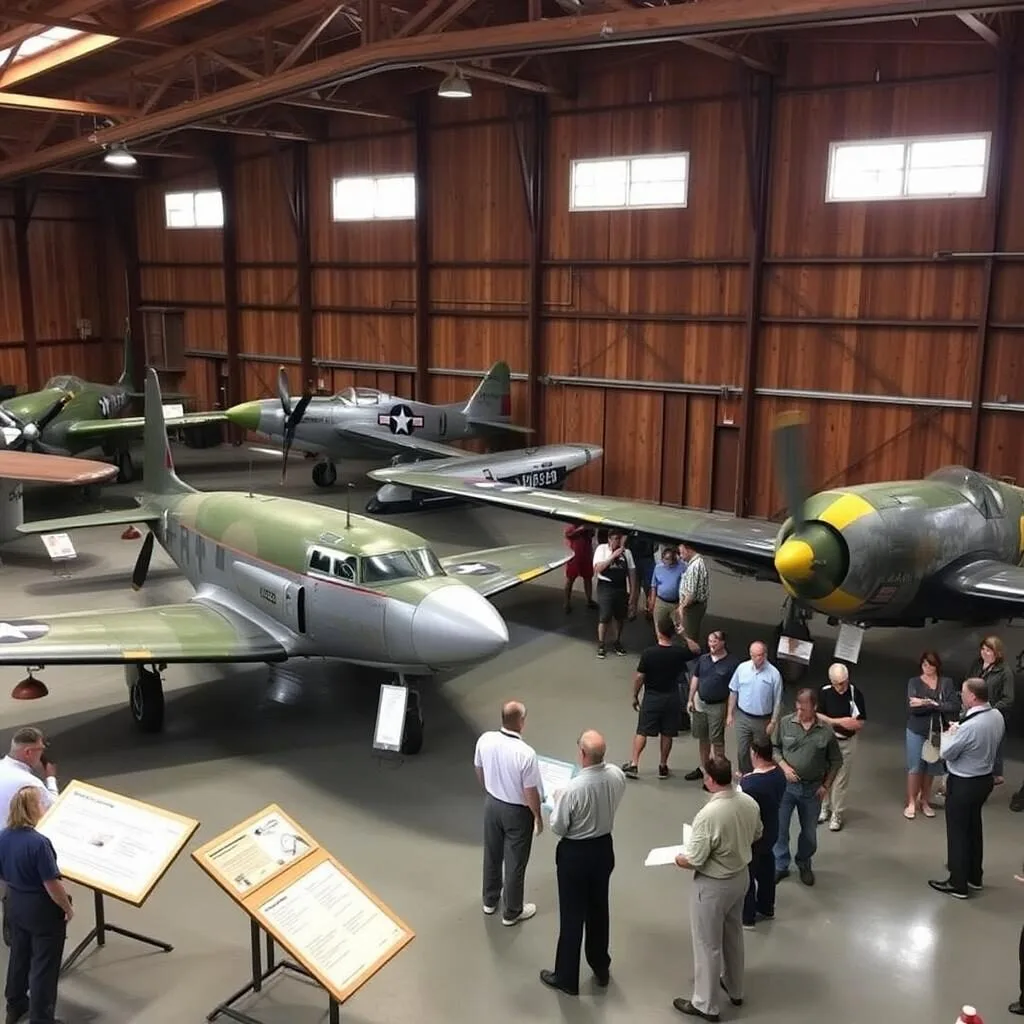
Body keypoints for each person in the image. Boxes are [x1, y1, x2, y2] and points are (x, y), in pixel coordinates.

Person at [671, 756, 762, 1021]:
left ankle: (705, 1004)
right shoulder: (749, 802)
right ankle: (735, 988)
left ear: (710, 780)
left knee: (707, 944)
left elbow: (695, 859)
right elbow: (758, 833)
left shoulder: (708, 815)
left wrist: (679, 859)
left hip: (713, 887)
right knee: (733, 935)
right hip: (740, 878)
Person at [540, 730, 626, 996]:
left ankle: (566, 976)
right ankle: (600, 966)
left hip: (575, 855)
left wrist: (556, 801)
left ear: (582, 754)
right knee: (599, 909)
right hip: (603, 849)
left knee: (572, 915)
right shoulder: (616, 776)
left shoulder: (573, 789)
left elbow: (559, 827)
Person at [0, 786, 73, 1024]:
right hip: (41, 909)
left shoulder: (3, 837)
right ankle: (42, 1018)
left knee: (19, 957)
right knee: (44, 966)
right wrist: (67, 908)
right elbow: (52, 885)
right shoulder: (39, 843)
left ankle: (15, 1004)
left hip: (15, 903)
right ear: (33, 809)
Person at [928, 677, 1004, 900]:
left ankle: (958, 882)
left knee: (958, 832)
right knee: (973, 828)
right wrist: (960, 731)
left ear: (972, 696)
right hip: (983, 781)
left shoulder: (970, 727)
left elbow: (946, 753)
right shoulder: (996, 716)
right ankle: (974, 875)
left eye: (963, 692)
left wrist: (951, 734)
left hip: (963, 783)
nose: (961, 695)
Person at [473, 701, 543, 926]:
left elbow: (479, 769)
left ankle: (489, 900)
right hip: (517, 812)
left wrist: (491, 790)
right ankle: (512, 911)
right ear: (521, 722)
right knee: (515, 862)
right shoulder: (526, 754)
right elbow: (530, 792)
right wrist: (538, 817)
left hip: (492, 805)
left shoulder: (485, 739)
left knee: (492, 853)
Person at [772, 688, 842, 887]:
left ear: (815, 707)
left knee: (809, 833)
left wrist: (826, 786)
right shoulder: (786, 723)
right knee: (780, 828)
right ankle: (780, 864)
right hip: (785, 787)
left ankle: (804, 862)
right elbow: (775, 748)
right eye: (798, 708)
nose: (800, 712)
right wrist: (784, 767)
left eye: (804, 709)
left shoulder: (826, 731)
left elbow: (836, 761)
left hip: (812, 790)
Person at [0, 728, 59, 950]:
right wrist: (50, 778)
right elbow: (54, 807)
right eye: (40, 750)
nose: (41, 754)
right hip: (19, 849)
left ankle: (11, 929)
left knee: (8, 890)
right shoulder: (29, 783)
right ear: (28, 753)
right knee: (26, 891)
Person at [621, 621, 692, 780]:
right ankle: (663, 765)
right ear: (672, 634)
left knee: (642, 731)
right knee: (667, 733)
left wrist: (635, 695)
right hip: (672, 697)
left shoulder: (649, 653)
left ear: (659, 632)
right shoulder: (678, 652)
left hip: (652, 696)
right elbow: (696, 650)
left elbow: (640, 676)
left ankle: (634, 764)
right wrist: (684, 635)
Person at [904, 651, 959, 820]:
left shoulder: (946, 683)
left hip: (937, 731)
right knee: (915, 767)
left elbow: (954, 706)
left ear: (937, 666)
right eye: (924, 665)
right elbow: (913, 708)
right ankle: (911, 802)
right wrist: (935, 705)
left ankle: (925, 800)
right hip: (917, 730)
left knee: (931, 768)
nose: (927, 668)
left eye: (931, 665)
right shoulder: (914, 682)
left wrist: (929, 703)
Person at [739, 738, 786, 929]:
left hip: (754, 835)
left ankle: (747, 917)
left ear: (756, 754)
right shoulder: (779, 774)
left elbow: (743, 807)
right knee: (767, 868)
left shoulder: (750, 784)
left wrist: (743, 780)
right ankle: (767, 907)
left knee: (747, 876)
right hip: (772, 829)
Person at [816, 663, 866, 832]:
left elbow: (860, 722)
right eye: (838, 683)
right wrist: (837, 722)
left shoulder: (854, 693)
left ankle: (837, 813)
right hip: (829, 741)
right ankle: (824, 807)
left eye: (844, 682)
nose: (842, 687)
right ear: (832, 682)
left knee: (841, 780)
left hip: (847, 743)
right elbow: (817, 714)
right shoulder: (824, 693)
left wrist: (851, 724)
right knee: (825, 775)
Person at [685, 630, 740, 782]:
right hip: (700, 704)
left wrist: (730, 713)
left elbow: (733, 690)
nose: (711, 645)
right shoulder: (703, 659)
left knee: (717, 741)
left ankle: (719, 773)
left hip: (717, 706)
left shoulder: (732, 663)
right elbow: (696, 678)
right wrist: (690, 699)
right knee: (703, 738)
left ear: (723, 642)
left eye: (714, 641)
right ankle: (704, 769)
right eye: (709, 641)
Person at [726, 642, 783, 774]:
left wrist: (773, 722)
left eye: (761, 655)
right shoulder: (742, 668)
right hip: (742, 716)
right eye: (755, 655)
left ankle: (759, 774)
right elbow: (733, 691)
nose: (758, 658)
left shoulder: (774, 674)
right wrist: (730, 713)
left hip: (762, 720)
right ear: (750, 655)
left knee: (761, 750)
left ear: (765, 655)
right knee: (742, 750)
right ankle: (744, 774)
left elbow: (778, 701)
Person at [964, 635, 1012, 785]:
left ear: (997, 653)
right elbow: (968, 682)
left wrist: (989, 710)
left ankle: (994, 775)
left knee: (992, 746)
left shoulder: (1004, 672)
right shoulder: (977, 664)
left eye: (989, 650)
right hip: (973, 710)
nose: (984, 653)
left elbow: (1008, 698)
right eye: (983, 649)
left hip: (992, 714)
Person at [592, 528, 637, 659]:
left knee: (620, 616)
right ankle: (601, 643)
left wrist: (633, 594)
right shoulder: (601, 549)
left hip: (620, 587)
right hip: (606, 586)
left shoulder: (627, 553)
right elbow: (597, 569)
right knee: (605, 616)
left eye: (619, 539)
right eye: (615, 539)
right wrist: (613, 556)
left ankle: (617, 641)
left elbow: (632, 573)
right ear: (609, 539)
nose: (617, 541)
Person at [675, 542, 710, 641]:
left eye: (682, 553)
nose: (681, 556)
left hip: (692, 607)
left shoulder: (695, 566)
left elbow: (691, 594)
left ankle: (690, 654)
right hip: (693, 606)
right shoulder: (696, 563)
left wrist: (682, 607)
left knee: (688, 636)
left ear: (688, 550)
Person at [649, 544, 685, 638]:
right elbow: (654, 585)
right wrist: (652, 601)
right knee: (659, 625)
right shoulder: (658, 567)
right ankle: (661, 644)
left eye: (670, 560)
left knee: (678, 626)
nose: (668, 562)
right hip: (661, 601)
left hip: (676, 603)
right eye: (665, 559)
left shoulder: (682, 567)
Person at [563, 523, 597, 614]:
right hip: (574, 556)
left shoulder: (588, 525)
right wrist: (580, 529)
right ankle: (567, 602)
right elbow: (567, 535)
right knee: (570, 579)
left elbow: (593, 534)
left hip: (586, 556)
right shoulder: (572, 526)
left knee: (588, 578)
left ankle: (589, 600)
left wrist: (590, 529)